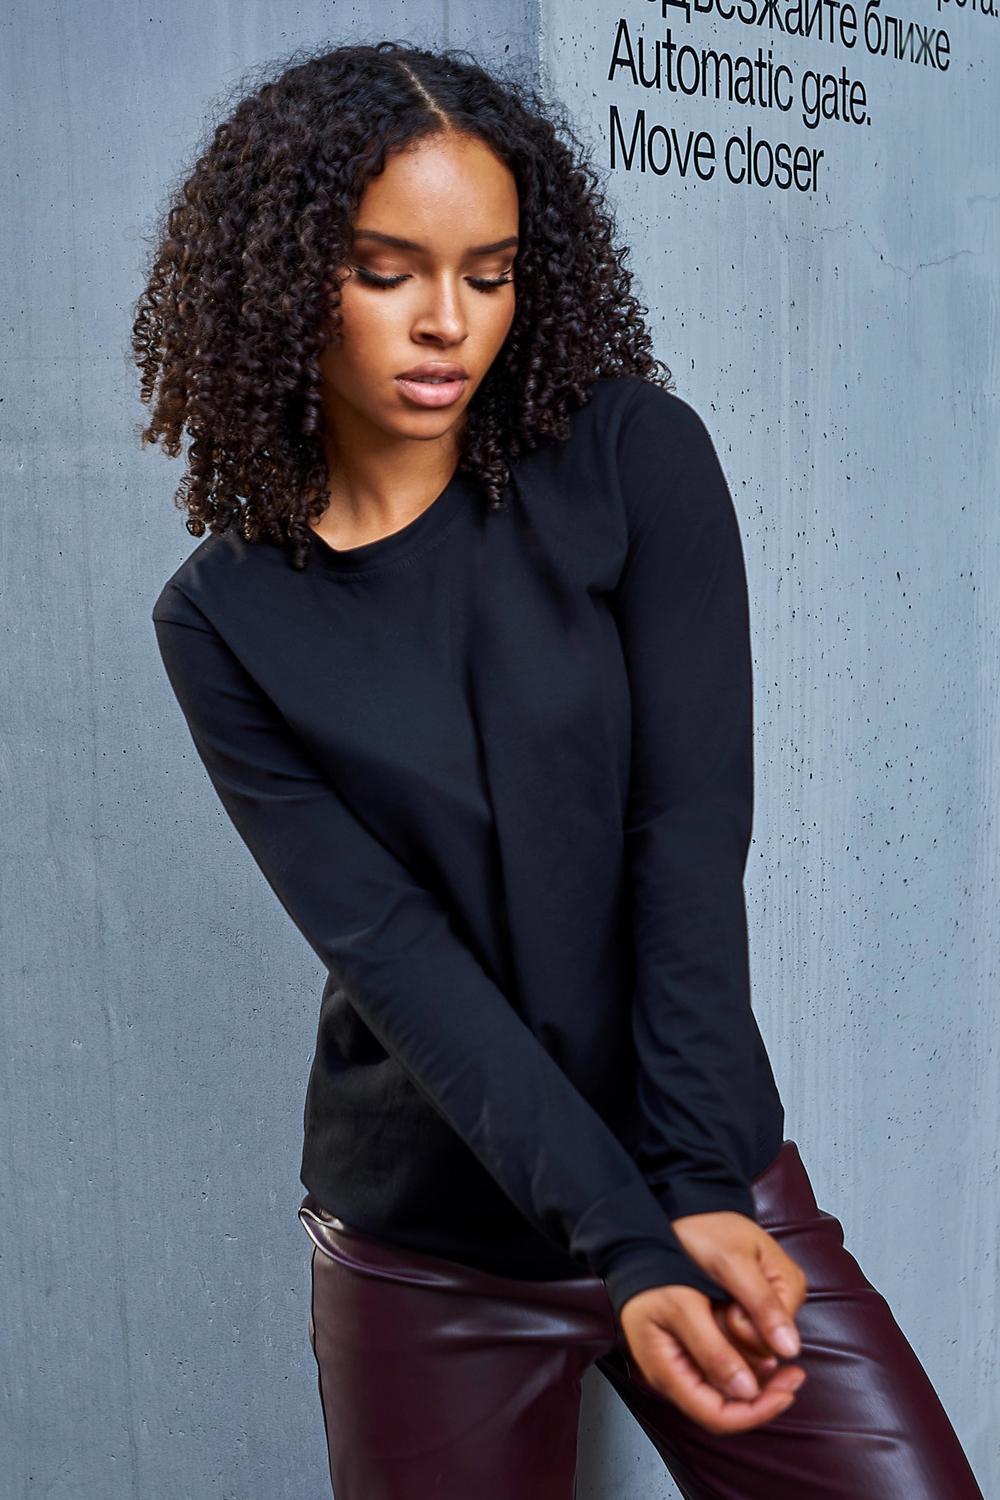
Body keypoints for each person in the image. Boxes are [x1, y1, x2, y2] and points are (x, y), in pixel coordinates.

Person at [135, 39, 985, 1500]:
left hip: (702, 1181)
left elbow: (688, 843)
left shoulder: (634, 458)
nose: (447, 323)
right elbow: (396, 957)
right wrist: (620, 1240)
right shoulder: (223, 618)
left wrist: (691, 1197)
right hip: (432, 1253)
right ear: (279, 285)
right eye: (386, 271)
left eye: (491, 274)